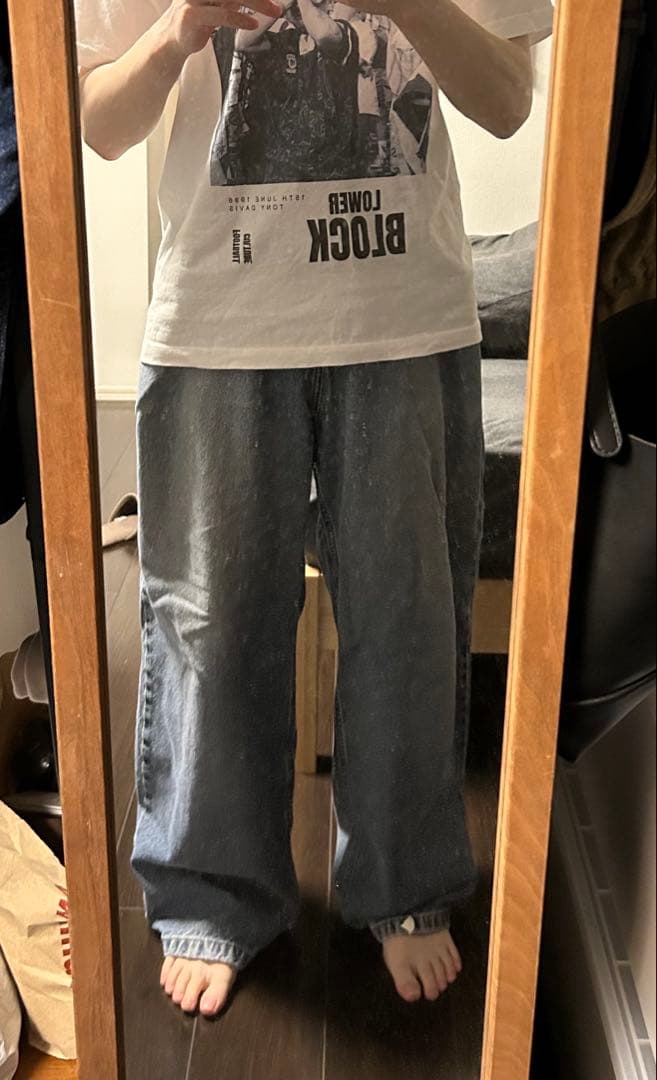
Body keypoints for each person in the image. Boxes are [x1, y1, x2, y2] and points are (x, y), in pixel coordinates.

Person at [75, 0, 553, 1018]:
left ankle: (403, 879)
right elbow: (98, 123)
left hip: (408, 316)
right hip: (214, 316)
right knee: (209, 619)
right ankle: (213, 888)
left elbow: (511, 101)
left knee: (409, 614)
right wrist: (182, 26)